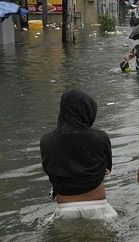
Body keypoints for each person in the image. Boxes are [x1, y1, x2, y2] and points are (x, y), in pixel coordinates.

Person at [40, 90, 116, 219]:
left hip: (64, 210)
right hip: (98, 207)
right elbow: (107, 169)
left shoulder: (46, 141)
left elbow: (49, 169)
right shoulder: (100, 138)